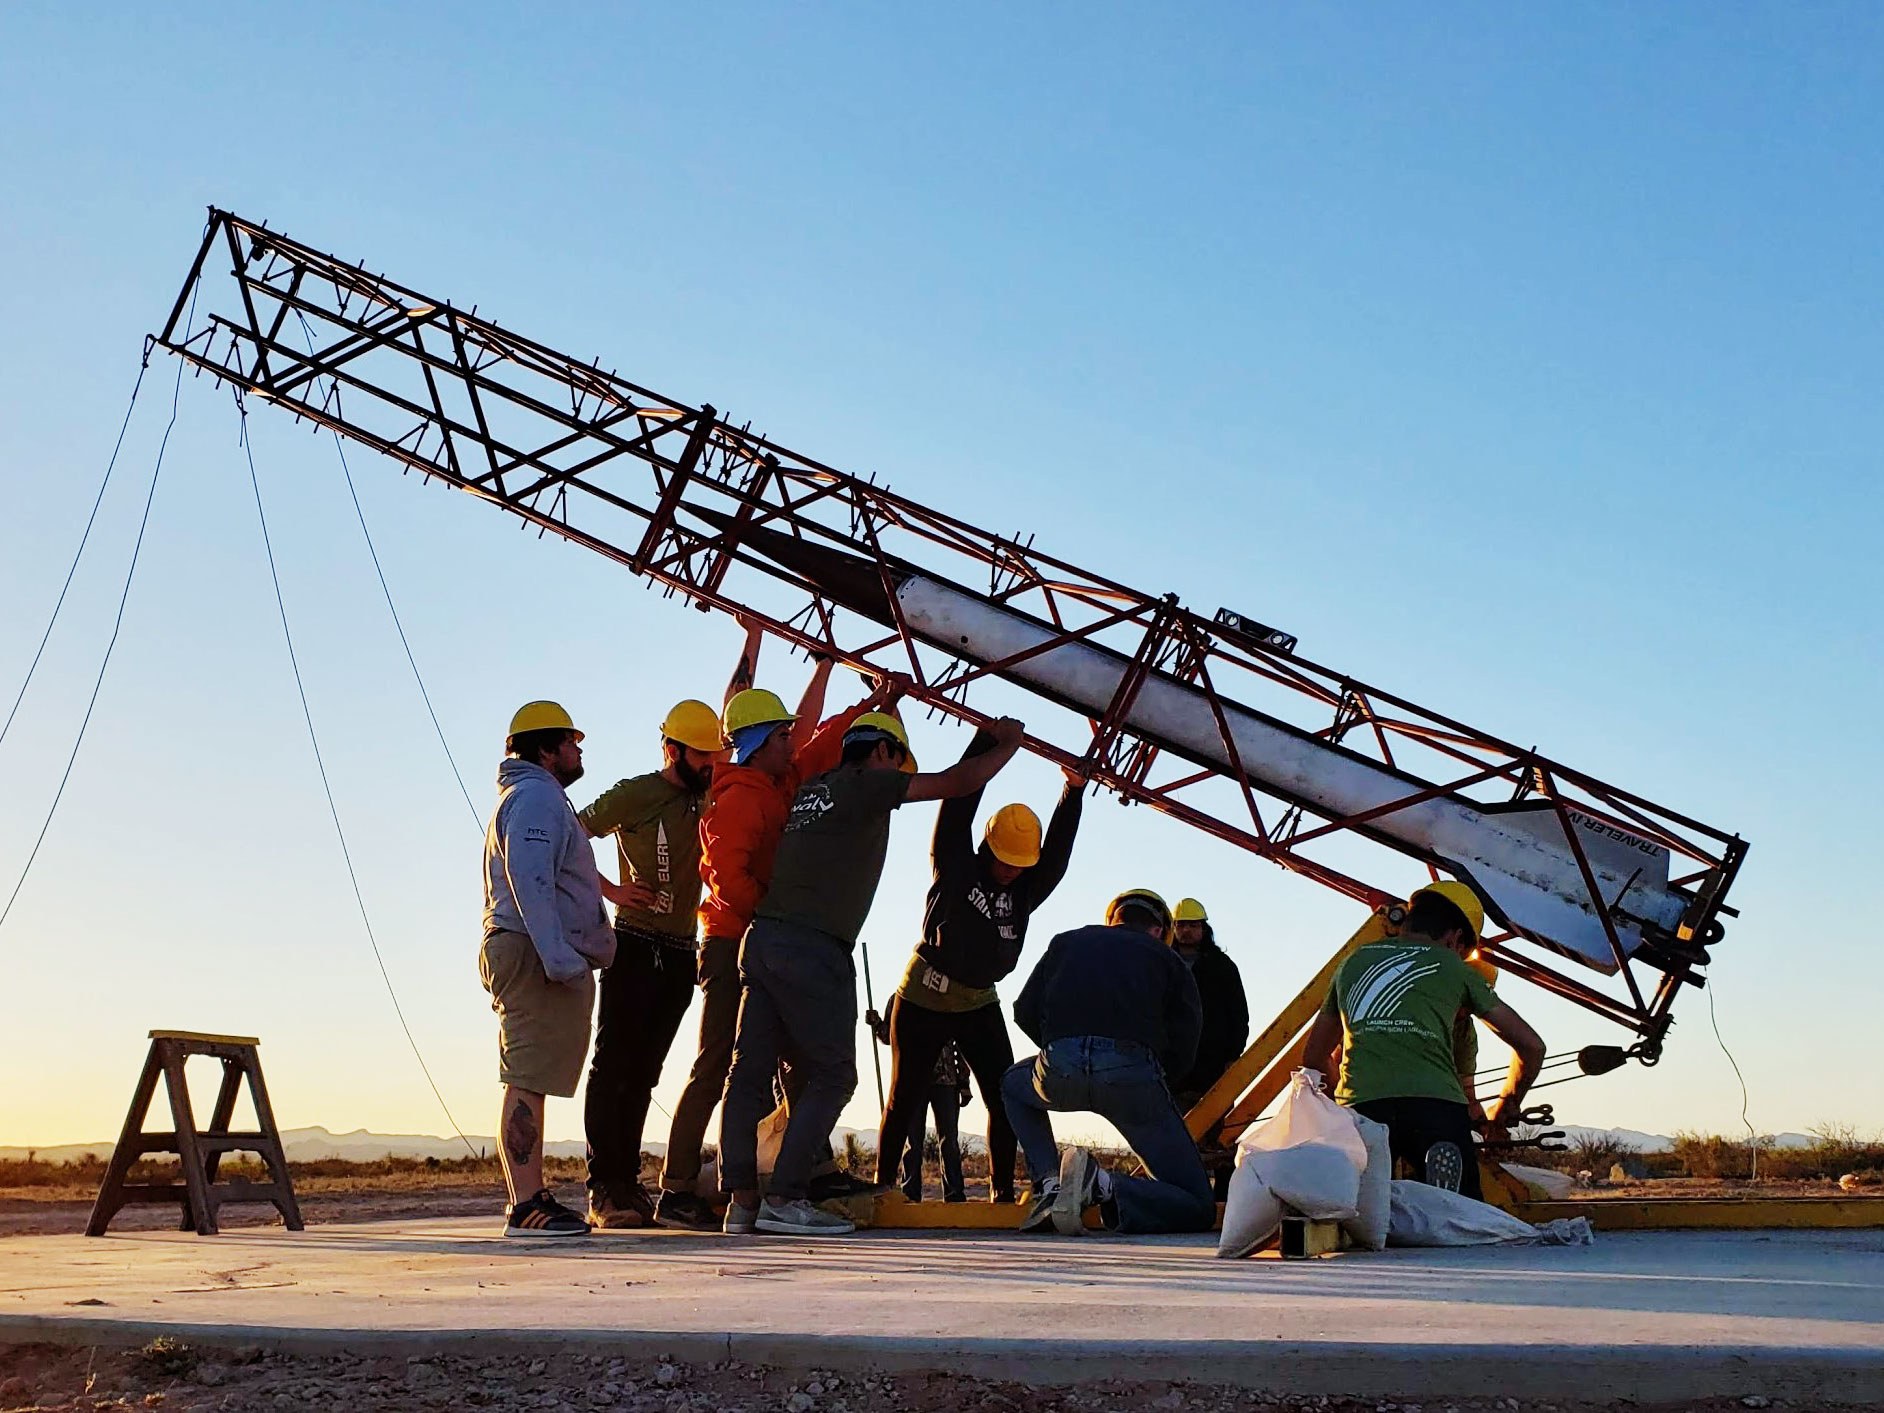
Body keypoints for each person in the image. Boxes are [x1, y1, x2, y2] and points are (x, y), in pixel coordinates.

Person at [719, 712, 1028, 1236]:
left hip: (764, 938)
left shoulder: (816, 787)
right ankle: (787, 1197)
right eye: (898, 759)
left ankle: (742, 1202)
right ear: (883, 753)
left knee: (748, 1072)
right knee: (834, 1075)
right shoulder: (868, 782)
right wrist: (1005, 747)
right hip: (814, 947)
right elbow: (956, 784)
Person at [653, 622, 885, 1229]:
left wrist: (868, 699)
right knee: (725, 1064)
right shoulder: (736, 798)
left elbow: (817, 735)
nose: (793, 739)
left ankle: (789, 1180)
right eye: (781, 735)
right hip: (735, 939)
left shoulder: (779, 778)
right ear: (760, 743)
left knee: (784, 1063)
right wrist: (779, 918)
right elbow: (726, 878)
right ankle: (680, 1184)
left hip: (771, 939)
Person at [873, 729, 1085, 1201]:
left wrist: (1073, 791)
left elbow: (1057, 857)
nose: (1011, 869)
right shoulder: (954, 865)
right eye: (1005, 859)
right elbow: (958, 806)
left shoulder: (1026, 889)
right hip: (925, 993)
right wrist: (986, 742)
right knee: (904, 1096)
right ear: (988, 846)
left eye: (1020, 863)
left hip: (978, 1000)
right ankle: (882, 1189)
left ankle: (1003, 1192)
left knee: (1005, 1094)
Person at [575, 697, 724, 1228]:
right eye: (701, 754)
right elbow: (570, 833)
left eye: (715, 753)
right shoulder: (636, 793)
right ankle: (603, 1188)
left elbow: (735, 704)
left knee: (645, 1074)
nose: (711, 763)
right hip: (634, 944)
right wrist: (612, 889)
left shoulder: (707, 796)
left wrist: (750, 642)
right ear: (672, 749)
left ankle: (628, 1186)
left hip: (684, 951)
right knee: (613, 1065)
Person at [1301, 880, 1545, 1200]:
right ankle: (1449, 1205)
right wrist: (1507, 1105)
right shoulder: (1456, 969)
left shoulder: (1352, 963)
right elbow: (1532, 1046)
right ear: (1455, 938)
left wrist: (1342, 1099)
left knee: (1361, 1214)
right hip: (1436, 1108)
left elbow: (1314, 1055)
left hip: (1362, 1109)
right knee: (1462, 1216)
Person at [1002, 889, 1215, 1237]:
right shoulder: (1167, 958)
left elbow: (1024, 1010)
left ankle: (1049, 1184)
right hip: (1132, 1077)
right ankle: (1101, 1185)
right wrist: (1162, 1080)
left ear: (1112, 919)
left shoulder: (1066, 943)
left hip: (1060, 1068)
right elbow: (1188, 1034)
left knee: (1013, 1085)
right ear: (1161, 930)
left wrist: (1061, 1050)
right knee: (1195, 1203)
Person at [480, 701, 615, 1238]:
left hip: (534, 949)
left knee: (531, 1075)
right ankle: (527, 1206)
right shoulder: (537, 796)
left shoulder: (537, 797)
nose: (578, 750)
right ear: (545, 748)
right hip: (534, 953)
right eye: (571, 741)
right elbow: (530, 876)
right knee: (527, 1076)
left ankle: (529, 1199)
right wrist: (558, 956)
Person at [866, 1013, 972, 1202]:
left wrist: (964, 1081)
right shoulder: (901, 999)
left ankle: (954, 1193)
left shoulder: (947, 998)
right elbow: (890, 1036)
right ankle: (910, 1193)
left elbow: (961, 1042)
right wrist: (877, 1024)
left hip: (947, 1081)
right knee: (913, 1141)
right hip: (913, 1080)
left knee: (949, 1141)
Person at [1165, 898, 1249, 1111]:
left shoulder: (1222, 967)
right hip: (1170, 1066)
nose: (1186, 930)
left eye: (1193, 925)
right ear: (1172, 928)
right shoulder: (1162, 963)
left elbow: (1238, 1015)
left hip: (1212, 1066)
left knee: (1215, 1132)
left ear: (1203, 928)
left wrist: (1232, 1056)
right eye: (1181, 925)